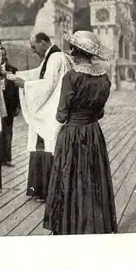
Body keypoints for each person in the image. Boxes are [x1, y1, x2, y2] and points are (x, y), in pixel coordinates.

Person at [44, 31, 117, 235]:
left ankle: (70, 226)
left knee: (70, 177)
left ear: (76, 51)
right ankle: (94, 226)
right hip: (93, 133)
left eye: (72, 47)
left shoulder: (71, 76)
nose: (71, 50)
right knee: (93, 178)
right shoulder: (103, 78)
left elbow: (61, 115)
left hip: (72, 134)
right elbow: (100, 112)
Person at [10, 32, 73, 202]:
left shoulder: (55, 58)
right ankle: (41, 189)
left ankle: (47, 191)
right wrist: (12, 75)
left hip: (50, 111)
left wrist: (25, 85)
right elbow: (37, 74)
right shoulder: (52, 57)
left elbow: (48, 83)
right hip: (51, 108)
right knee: (43, 146)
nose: (33, 51)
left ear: (44, 42)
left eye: (34, 47)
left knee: (46, 147)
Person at [0, 48, 20, 167]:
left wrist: (17, 105)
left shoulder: (13, 70)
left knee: (8, 131)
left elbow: (17, 87)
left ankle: (7, 158)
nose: (2, 58)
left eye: (3, 55)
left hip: (9, 104)